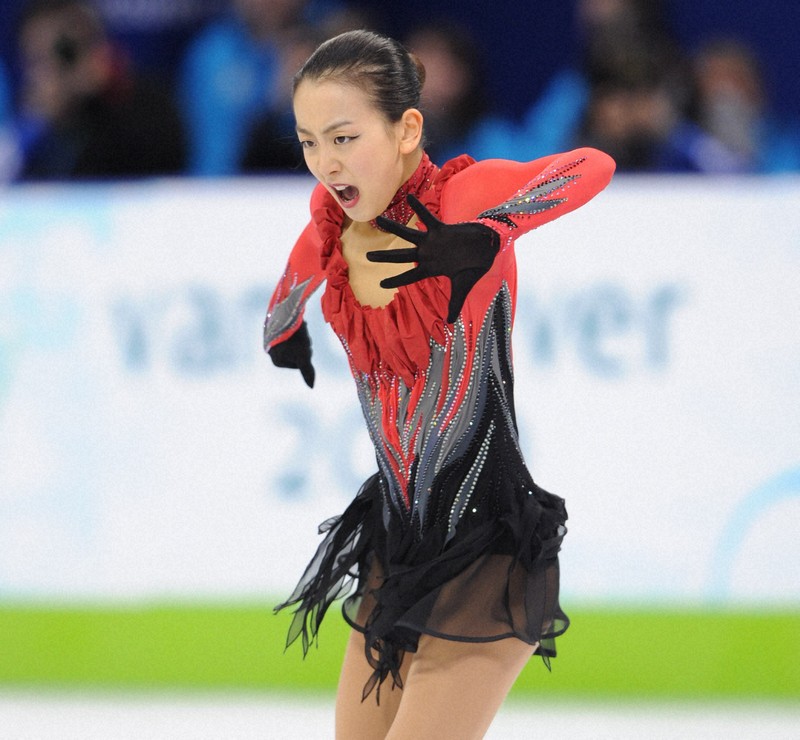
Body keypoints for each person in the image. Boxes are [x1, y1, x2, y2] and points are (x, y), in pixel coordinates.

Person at [263, 30, 614, 738]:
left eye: (343, 137)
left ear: (406, 129)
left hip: (487, 549)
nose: (325, 164)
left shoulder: (465, 198)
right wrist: (282, 332)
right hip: (397, 547)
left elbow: (591, 165)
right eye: (307, 142)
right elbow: (290, 287)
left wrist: (491, 233)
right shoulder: (330, 231)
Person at [15, 0, 186, 180]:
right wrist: (36, 124)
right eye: (37, 59)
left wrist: (101, 96)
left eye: (66, 54)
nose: (53, 69)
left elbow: (166, 165)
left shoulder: (141, 102)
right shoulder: (23, 114)